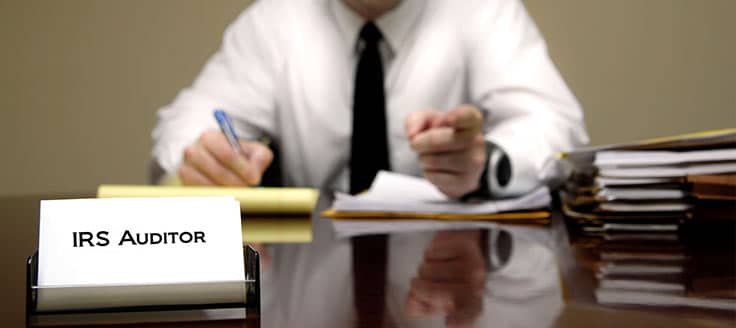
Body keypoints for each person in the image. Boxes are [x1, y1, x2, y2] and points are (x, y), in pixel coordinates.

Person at [151, 0, 588, 198]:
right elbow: (188, 121)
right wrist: (206, 154)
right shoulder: (275, 19)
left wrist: (485, 161)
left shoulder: (481, 9)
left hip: (452, 273)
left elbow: (554, 124)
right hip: (309, 270)